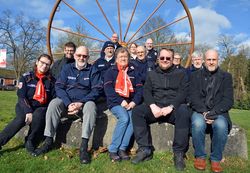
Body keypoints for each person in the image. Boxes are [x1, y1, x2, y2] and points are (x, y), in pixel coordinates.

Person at [32, 46, 102, 165]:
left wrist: (81, 103)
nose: (81, 58)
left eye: (84, 56)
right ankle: (48, 140)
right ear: (74, 56)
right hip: (67, 103)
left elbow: (96, 90)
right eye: (79, 55)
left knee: (91, 106)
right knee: (54, 103)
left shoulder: (93, 70)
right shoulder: (67, 68)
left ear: (88, 57)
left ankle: (84, 146)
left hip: (83, 104)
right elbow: (59, 86)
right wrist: (68, 103)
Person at [131, 48, 190, 171]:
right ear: (158, 59)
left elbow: (183, 93)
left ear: (172, 60)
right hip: (156, 109)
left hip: (172, 109)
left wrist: (171, 106)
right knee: (137, 111)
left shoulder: (181, 74)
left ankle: (178, 153)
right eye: (162, 58)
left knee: (184, 111)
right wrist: (152, 106)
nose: (165, 60)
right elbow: (146, 91)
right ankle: (145, 149)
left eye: (168, 58)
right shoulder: (152, 74)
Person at [189, 49, 234, 173]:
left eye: (214, 60)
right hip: (200, 111)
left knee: (221, 125)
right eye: (209, 59)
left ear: (218, 60)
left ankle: (215, 159)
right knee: (198, 124)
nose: (211, 62)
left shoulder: (226, 77)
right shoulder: (194, 76)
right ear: (204, 60)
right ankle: (200, 157)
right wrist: (204, 112)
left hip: (219, 112)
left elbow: (228, 100)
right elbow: (193, 97)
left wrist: (213, 113)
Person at [0, 54, 55, 154]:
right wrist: (28, 111)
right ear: (37, 62)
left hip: (41, 107)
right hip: (25, 104)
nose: (44, 66)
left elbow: (53, 98)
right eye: (42, 62)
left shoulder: (51, 81)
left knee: (38, 115)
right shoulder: (26, 77)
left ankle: (30, 141)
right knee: (21, 119)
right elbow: (21, 96)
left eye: (47, 64)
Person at [104, 47, 143, 162]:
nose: (123, 59)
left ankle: (122, 148)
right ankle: (113, 149)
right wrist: (121, 101)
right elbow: (108, 90)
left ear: (129, 58)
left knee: (133, 119)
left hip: (130, 103)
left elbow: (140, 89)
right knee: (124, 118)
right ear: (116, 59)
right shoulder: (110, 72)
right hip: (115, 103)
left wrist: (134, 102)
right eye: (121, 57)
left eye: (125, 57)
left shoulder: (134, 71)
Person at [92, 41, 115, 150]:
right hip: (101, 90)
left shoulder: (117, 61)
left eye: (111, 48)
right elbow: (94, 76)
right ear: (104, 50)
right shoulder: (98, 62)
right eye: (108, 48)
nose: (110, 50)